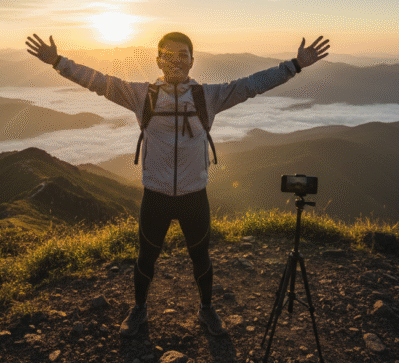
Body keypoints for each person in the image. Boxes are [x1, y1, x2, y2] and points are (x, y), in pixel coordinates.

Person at [25, 31, 329, 337]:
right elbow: (98, 82)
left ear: (192, 61)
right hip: (155, 194)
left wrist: (294, 65)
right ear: (158, 60)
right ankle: (140, 308)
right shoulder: (142, 95)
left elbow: (251, 85)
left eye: (182, 55)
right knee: (146, 256)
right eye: (168, 55)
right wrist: (58, 62)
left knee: (201, 256)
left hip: (193, 195)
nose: (175, 61)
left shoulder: (206, 97)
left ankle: (207, 309)